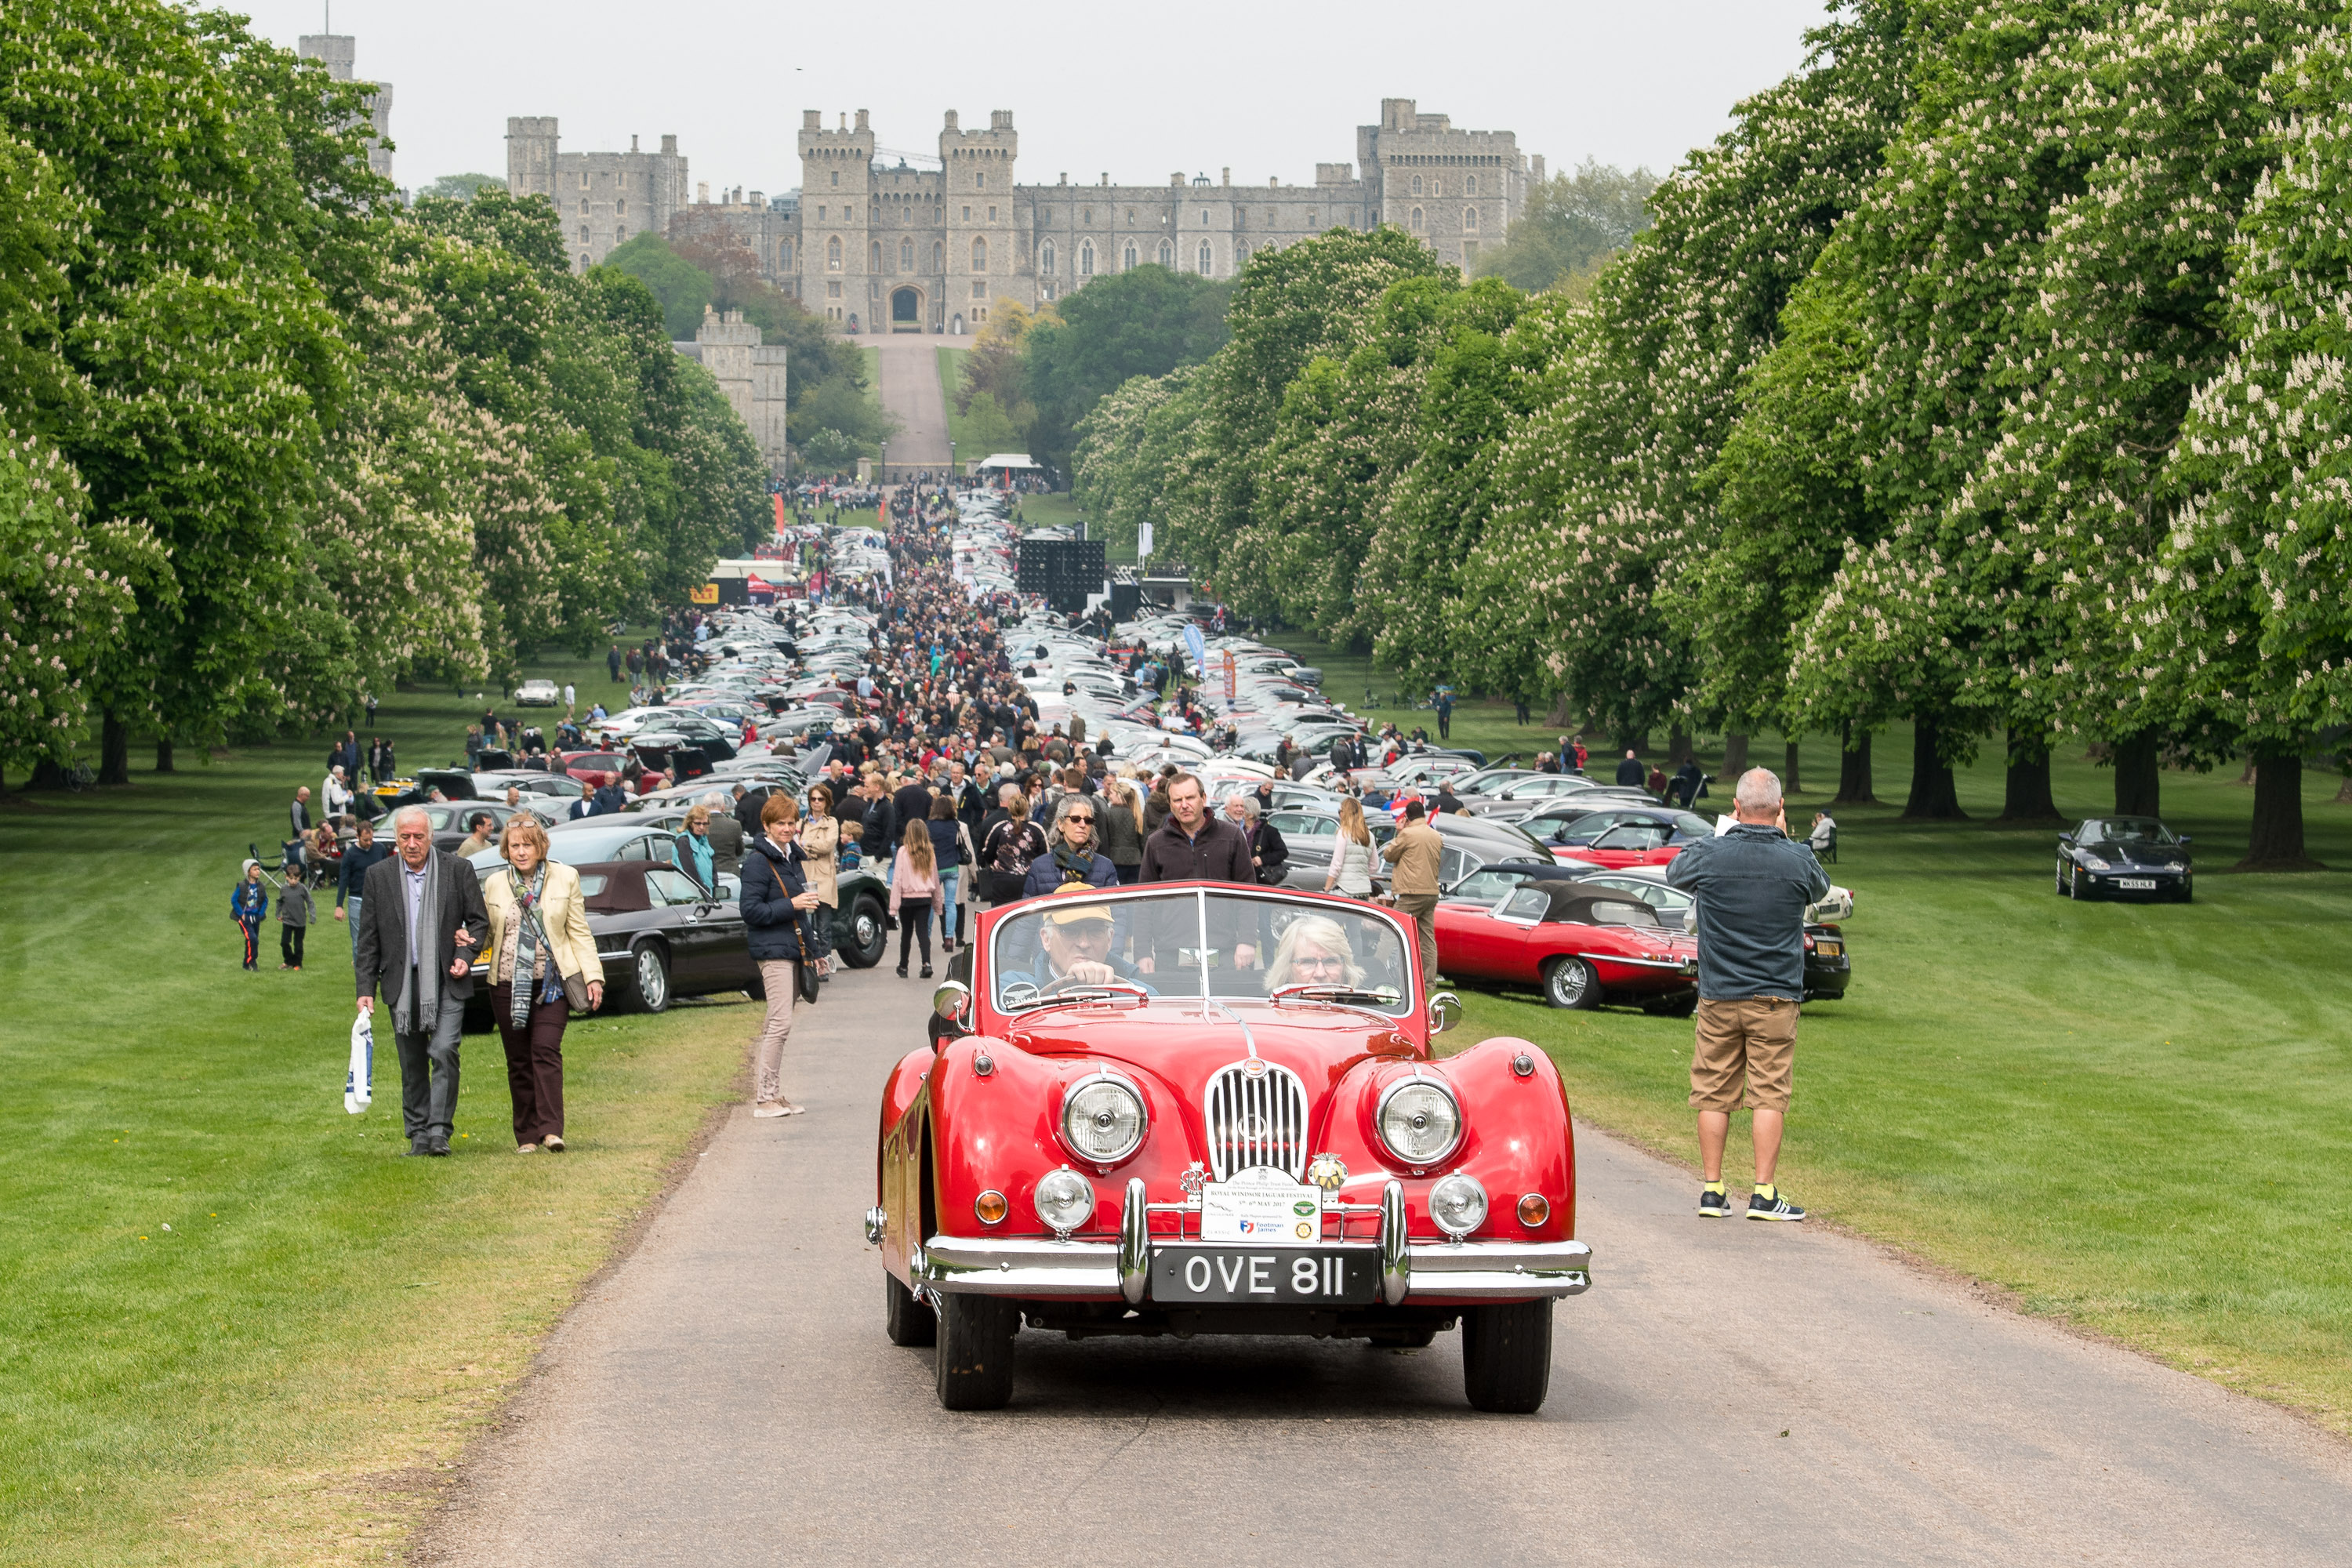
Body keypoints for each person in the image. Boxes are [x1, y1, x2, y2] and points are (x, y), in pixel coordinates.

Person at [1666, 768, 1831, 1222]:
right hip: (1775, 995)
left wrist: (1727, 834)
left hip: (1720, 992)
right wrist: (1782, 837)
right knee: (1769, 1093)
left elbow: (1675, 871)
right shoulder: (1797, 858)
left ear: (1735, 808)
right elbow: (1819, 887)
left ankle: (1713, 1190)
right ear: (1780, 809)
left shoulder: (1710, 853)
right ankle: (1763, 1193)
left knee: (1713, 1091)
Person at [354, 805, 490, 1157]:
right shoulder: (378, 876)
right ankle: (418, 1134)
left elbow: (478, 923)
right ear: (396, 839)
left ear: (431, 837)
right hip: (401, 984)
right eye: (405, 837)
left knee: (443, 1049)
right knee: (411, 1062)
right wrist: (365, 990)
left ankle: (439, 1131)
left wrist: (464, 957)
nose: (412, 844)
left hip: (447, 980)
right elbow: (368, 940)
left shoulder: (458, 870)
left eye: (419, 837)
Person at [481, 814, 601, 1153]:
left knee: (545, 1050)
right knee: (518, 1060)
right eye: (515, 845)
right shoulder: (494, 884)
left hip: (553, 982)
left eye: (527, 845)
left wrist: (593, 977)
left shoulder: (566, 877)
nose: (521, 852)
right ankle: (526, 1135)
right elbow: (488, 933)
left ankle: (551, 1130)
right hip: (505, 982)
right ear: (506, 849)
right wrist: (463, 942)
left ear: (541, 847)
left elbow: (579, 932)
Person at [740, 794, 824, 1117]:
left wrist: (815, 952)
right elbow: (750, 910)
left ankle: (773, 1093)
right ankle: (765, 1099)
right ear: (767, 826)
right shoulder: (759, 861)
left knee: (777, 1023)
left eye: (791, 823)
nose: (787, 829)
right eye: (780, 824)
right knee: (780, 1024)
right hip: (772, 949)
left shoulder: (790, 857)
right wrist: (793, 904)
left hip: (793, 947)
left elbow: (801, 911)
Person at [1139, 773, 1254, 883]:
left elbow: (1247, 889)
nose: (1184, 805)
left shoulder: (1232, 836)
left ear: (1203, 798)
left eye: (1190, 798)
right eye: (1178, 800)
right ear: (1170, 804)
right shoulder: (1156, 844)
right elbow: (1146, 897)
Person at [1381, 800, 1445, 985]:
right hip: (1431, 891)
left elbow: (1389, 855)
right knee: (1427, 938)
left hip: (1411, 891)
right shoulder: (1435, 835)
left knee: (1391, 930)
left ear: (1407, 817)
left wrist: (1400, 831)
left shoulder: (1407, 834)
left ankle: (1376, 970)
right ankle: (1428, 982)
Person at [1024, 793, 1119, 898]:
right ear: (1060, 824)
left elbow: (1116, 911)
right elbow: (1030, 909)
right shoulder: (1039, 866)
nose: (1083, 825)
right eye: (1075, 819)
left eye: (1088, 820)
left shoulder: (1106, 867)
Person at [798, 784, 842, 980]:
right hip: (806, 876)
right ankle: (808, 966)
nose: (816, 802)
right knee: (805, 926)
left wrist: (807, 844)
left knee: (824, 928)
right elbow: (796, 848)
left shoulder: (832, 822)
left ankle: (824, 965)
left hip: (824, 877)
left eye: (820, 799)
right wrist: (809, 847)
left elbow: (828, 845)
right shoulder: (801, 823)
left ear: (827, 802)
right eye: (813, 799)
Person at [1264, 914, 1370, 993]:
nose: (1320, 973)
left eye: (1331, 961)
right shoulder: (1268, 1019)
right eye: (1308, 962)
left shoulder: (1365, 1020)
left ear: (1346, 970)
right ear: (1287, 971)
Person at [889, 820, 941, 978]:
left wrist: (893, 906)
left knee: (906, 932)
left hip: (907, 897)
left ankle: (903, 965)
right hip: (925, 897)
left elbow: (897, 879)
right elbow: (935, 878)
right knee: (923, 931)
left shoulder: (903, 852)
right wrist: (938, 904)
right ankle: (927, 963)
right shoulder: (929, 852)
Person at [981, 782, 1047, 906]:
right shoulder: (1037, 830)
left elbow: (987, 853)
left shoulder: (1000, 828)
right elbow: (1045, 856)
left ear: (1009, 808)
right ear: (1026, 808)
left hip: (1002, 881)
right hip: (1028, 880)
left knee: (1000, 916)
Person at [925, 796, 964, 953]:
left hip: (934, 868)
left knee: (930, 904)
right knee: (950, 904)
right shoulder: (955, 824)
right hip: (952, 867)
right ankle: (949, 938)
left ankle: (926, 937)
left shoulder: (929, 825)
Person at [1223, 795, 1288, 885]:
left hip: (1260, 881)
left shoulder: (1269, 831)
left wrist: (1262, 859)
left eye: (1243, 808)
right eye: (1238, 807)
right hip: (1241, 879)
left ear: (1251, 815)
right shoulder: (1239, 829)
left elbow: (1283, 852)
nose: (1240, 811)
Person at [1325, 797, 1380, 899]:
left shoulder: (1344, 833)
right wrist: (1359, 873)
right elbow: (1374, 866)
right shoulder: (1369, 835)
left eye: (1340, 811)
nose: (1339, 814)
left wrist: (1327, 889)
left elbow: (1336, 864)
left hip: (1345, 889)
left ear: (1345, 813)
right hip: (1364, 889)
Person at [1097, 775, 1145, 884]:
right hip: (1136, 861)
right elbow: (1144, 841)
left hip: (1115, 860)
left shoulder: (1108, 814)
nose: (1109, 796)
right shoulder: (1137, 815)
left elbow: (1105, 840)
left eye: (1112, 793)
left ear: (1119, 795)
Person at [232, 861, 268, 971]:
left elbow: (265, 900)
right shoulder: (242, 886)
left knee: (252, 940)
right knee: (253, 939)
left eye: (258, 869)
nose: (258, 872)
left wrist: (261, 913)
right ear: (248, 872)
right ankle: (252, 961)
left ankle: (246, 963)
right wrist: (241, 914)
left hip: (255, 917)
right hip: (245, 918)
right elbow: (234, 900)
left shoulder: (260, 886)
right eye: (255, 869)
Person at [674, 804, 718, 894]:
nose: (702, 827)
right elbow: (689, 871)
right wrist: (704, 890)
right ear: (690, 823)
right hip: (689, 895)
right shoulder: (683, 842)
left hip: (706, 894)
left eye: (705, 823)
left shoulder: (704, 841)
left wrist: (715, 888)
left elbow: (713, 870)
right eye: (698, 823)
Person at [277, 871, 313, 971]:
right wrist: (278, 914)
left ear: (299, 878)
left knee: (298, 944)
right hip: (287, 920)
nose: (293, 881)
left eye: (296, 879)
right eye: (291, 878)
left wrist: (312, 915)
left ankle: (298, 964)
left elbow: (310, 901)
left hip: (300, 921)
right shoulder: (284, 889)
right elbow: (279, 901)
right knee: (284, 942)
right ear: (286, 877)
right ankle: (288, 961)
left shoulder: (302, 889)